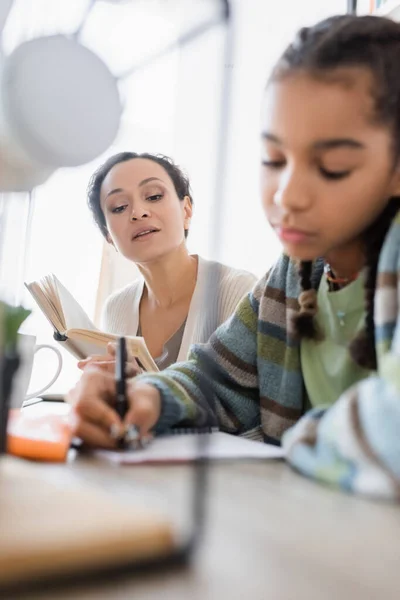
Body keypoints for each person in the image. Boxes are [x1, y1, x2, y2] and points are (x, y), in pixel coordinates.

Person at [69, 15, 400, 499]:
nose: (287, 195)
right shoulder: (290, 278)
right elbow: (218, 379)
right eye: (273, 160)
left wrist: (297, 442)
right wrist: (145, 397)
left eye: (332, 167)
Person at [79, 152, 256, 372]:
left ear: (186, 210)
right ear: (109, 237)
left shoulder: (238, 291)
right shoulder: (115, 308)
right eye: (119, 207)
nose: (138, 213)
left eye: (153, 196)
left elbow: (239, 401)